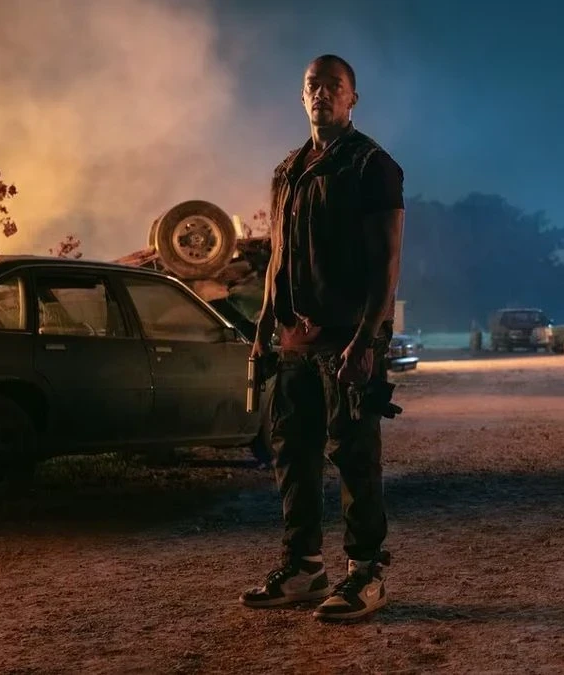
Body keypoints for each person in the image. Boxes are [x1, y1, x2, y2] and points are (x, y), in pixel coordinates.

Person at [240, 54, 405, 622]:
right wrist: (264, 327)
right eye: (314, 85)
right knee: (293, 454)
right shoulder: (287, 170)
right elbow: (277, 257)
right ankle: (304, 568)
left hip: (348, 339)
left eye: (335, 86)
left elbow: (387, 264)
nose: (323, 93)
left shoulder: (372, 166)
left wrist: (366, 339)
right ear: (301, 95)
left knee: (354, 455)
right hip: (294, 340)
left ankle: (367, 572)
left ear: (352, 98)